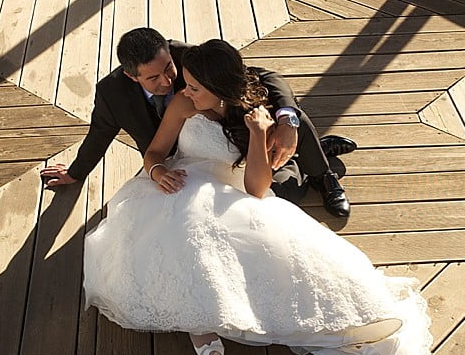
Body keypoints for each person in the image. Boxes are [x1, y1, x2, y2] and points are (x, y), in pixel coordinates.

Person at [82, 39, 431, 355]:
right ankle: (198, 321)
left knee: (273, 248)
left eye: (195, 87)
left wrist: (258, 135)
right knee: (187, 230)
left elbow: (255, 187)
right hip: (182, 180)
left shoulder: (253, 113)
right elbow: (155, 151)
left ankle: (319, 161)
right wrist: (155, 172)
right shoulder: (184, 103)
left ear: (218, 87)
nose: (183, 91)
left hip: (234, 188)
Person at [40, 27, 356, 216]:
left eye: (169, 69)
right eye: (153, 78)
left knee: (285, 189)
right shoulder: (113, 93)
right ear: (131, 76)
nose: (168, 81)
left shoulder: (190, 58)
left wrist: (286, 120)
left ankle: (319, 170)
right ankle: (313, 149)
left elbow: (262, 78)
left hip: (239, 144)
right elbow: (100, 134)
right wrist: (75, 172)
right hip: (183, 164)